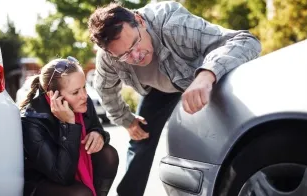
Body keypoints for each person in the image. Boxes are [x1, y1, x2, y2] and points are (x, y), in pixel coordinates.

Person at [88, 1, 261, 196]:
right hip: (157, 90)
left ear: (139, 21)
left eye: (135, 43)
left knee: (226, 132)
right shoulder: (108, 58)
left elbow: (245, 41)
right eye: (125, 55)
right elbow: (105, 90)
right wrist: (126, 120)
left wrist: (206, 74)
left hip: (198, 78)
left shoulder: (173, 25)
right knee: (140, 138)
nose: (136, 57)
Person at [20, 56, 119, 196]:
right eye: (75, 92)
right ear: (53, 96)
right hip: (42, 182)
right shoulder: (32, 120)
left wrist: (98, 134)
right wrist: (68, 124)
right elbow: (62, 176)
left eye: (84, 87)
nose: (84, 95)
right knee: (81, 194)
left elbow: (97, 128)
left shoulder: (83, 102)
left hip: (67, 167)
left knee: (108, 154)